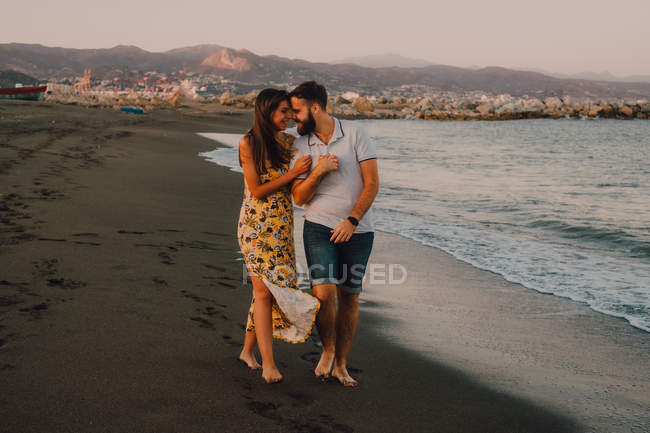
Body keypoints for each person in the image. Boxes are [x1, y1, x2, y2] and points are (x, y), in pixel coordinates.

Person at [289, 81, 379, 387]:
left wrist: (352, 220)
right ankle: (327, 350)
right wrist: (319, 170)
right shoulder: (300, 146)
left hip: (358, 230)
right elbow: (299, 198)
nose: (294, 117)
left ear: (315, 108)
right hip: (318, 225)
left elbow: (372, 184)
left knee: (349, 297)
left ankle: (341, 364)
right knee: (323, 293)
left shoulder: (355, 134)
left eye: (298, 111)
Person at [236, 88, 320, 384]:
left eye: (291, 111)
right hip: (256, 227)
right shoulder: (248, 143)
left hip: (282, 226)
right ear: (266, 111)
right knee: (263, 291)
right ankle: (269, 364)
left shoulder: (288, 142)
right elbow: (257, 190)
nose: (289, 117)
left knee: (266, 291)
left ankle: (247, 351)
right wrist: (292, 172)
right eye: (283, 111)